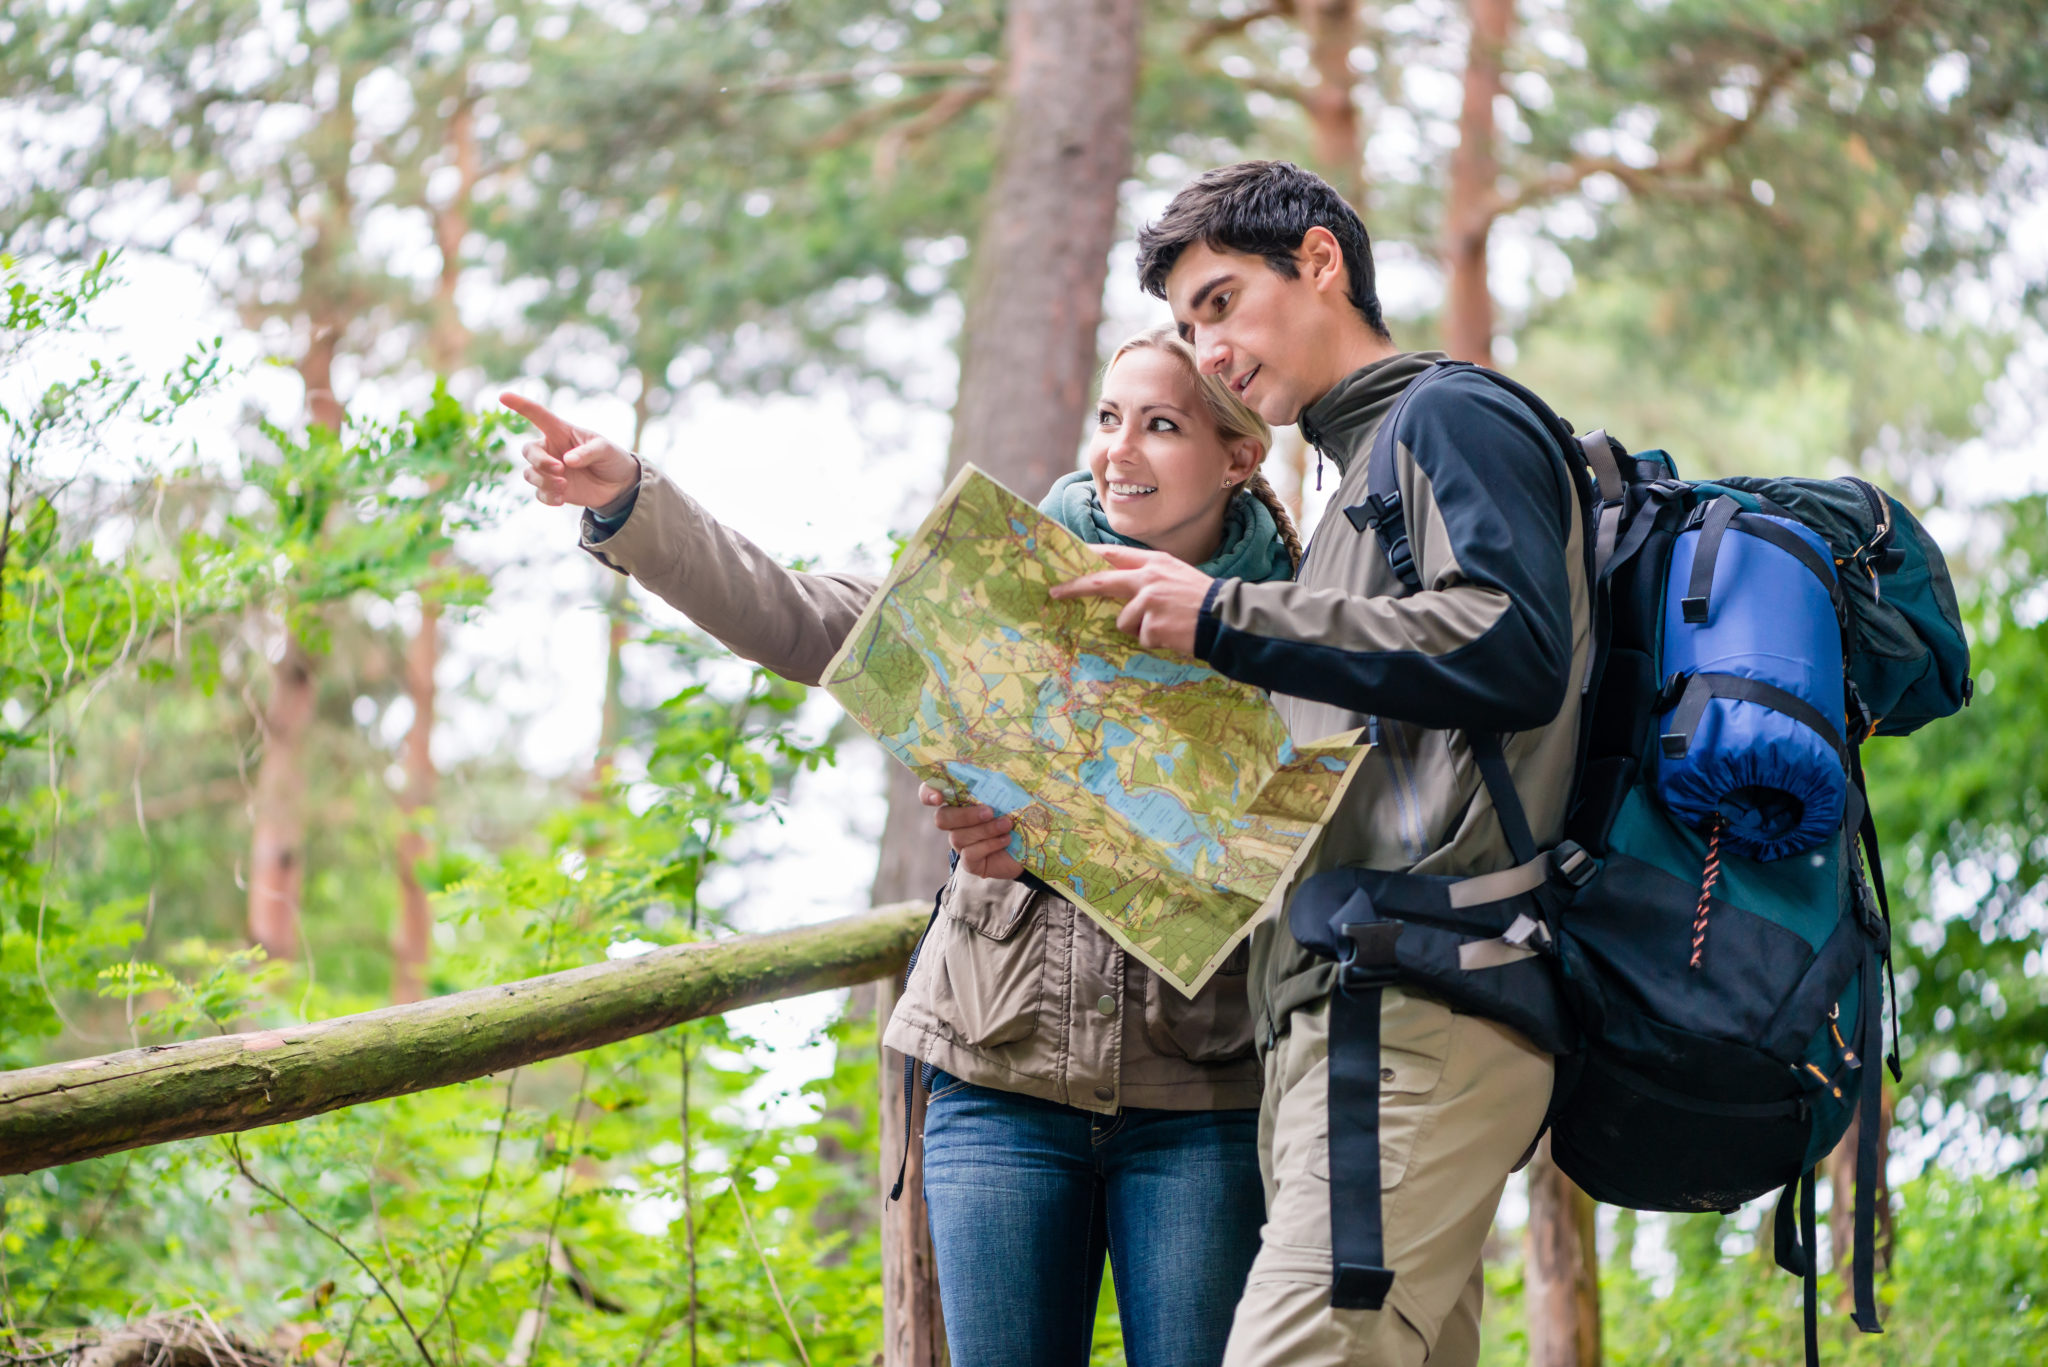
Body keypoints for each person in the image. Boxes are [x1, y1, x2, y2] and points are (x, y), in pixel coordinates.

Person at [506, 324, 1302, 1367]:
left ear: (1238, 455)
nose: (1118, 450)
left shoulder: (1293, 624)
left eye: (1160, 425)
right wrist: (628, 504)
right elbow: (798, 614)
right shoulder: (1010, 577)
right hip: (994, 1075)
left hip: (1201, 1097)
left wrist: (1094, 839)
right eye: (1109, 418)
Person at [1013, 161, 1590, 1366]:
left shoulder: (1447, 417)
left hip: (1412, 1009)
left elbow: (1512, 640)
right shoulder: (1346, 484)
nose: (1205, 348)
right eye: (1185, 324)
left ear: (1317, 260)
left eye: (1219, 302)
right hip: (1348, 1022)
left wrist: (1227, 614)